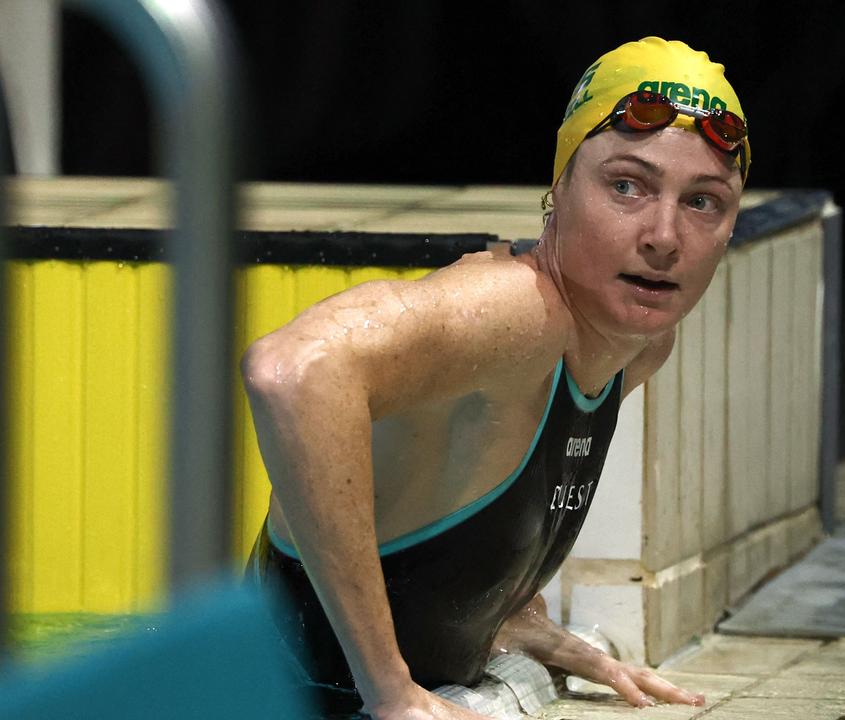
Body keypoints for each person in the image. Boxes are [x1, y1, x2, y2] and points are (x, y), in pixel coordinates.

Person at [243, 37, 751, 720]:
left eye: (702, 202)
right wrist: (390, 690)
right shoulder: (517, 313)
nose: (663, 235)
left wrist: (508, 614)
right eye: (626, 186)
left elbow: (474, 496)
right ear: (559, 189)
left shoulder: (640, 345)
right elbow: (291, 373)